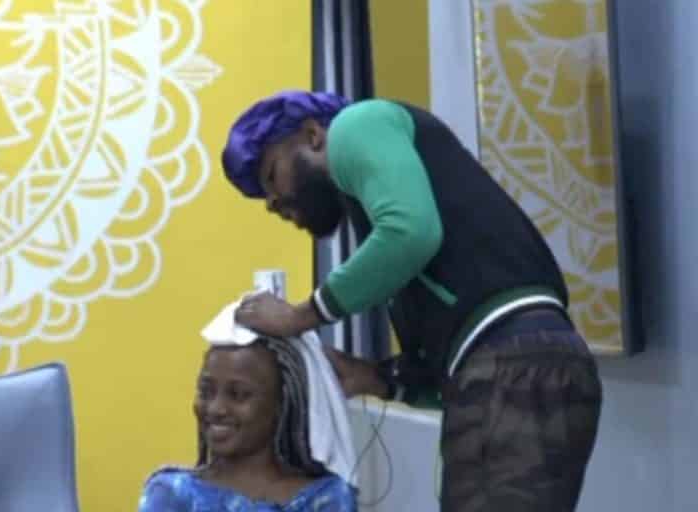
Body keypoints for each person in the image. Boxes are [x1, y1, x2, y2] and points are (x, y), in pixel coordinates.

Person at [222, 91, 603, 511]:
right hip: (521, 366)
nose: (273, 203)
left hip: (512, 367)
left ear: (313, 135)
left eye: (271, 176)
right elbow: (447, 367)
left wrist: (301, 315)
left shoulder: (357, 125)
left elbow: (411, 233)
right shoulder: (390, 229)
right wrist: (376, 378)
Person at [138, 337, 358, 511]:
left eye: (238, 395)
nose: (216, 409)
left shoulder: (325, 497)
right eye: (205, 392)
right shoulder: (171, 493)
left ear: (280, 404)